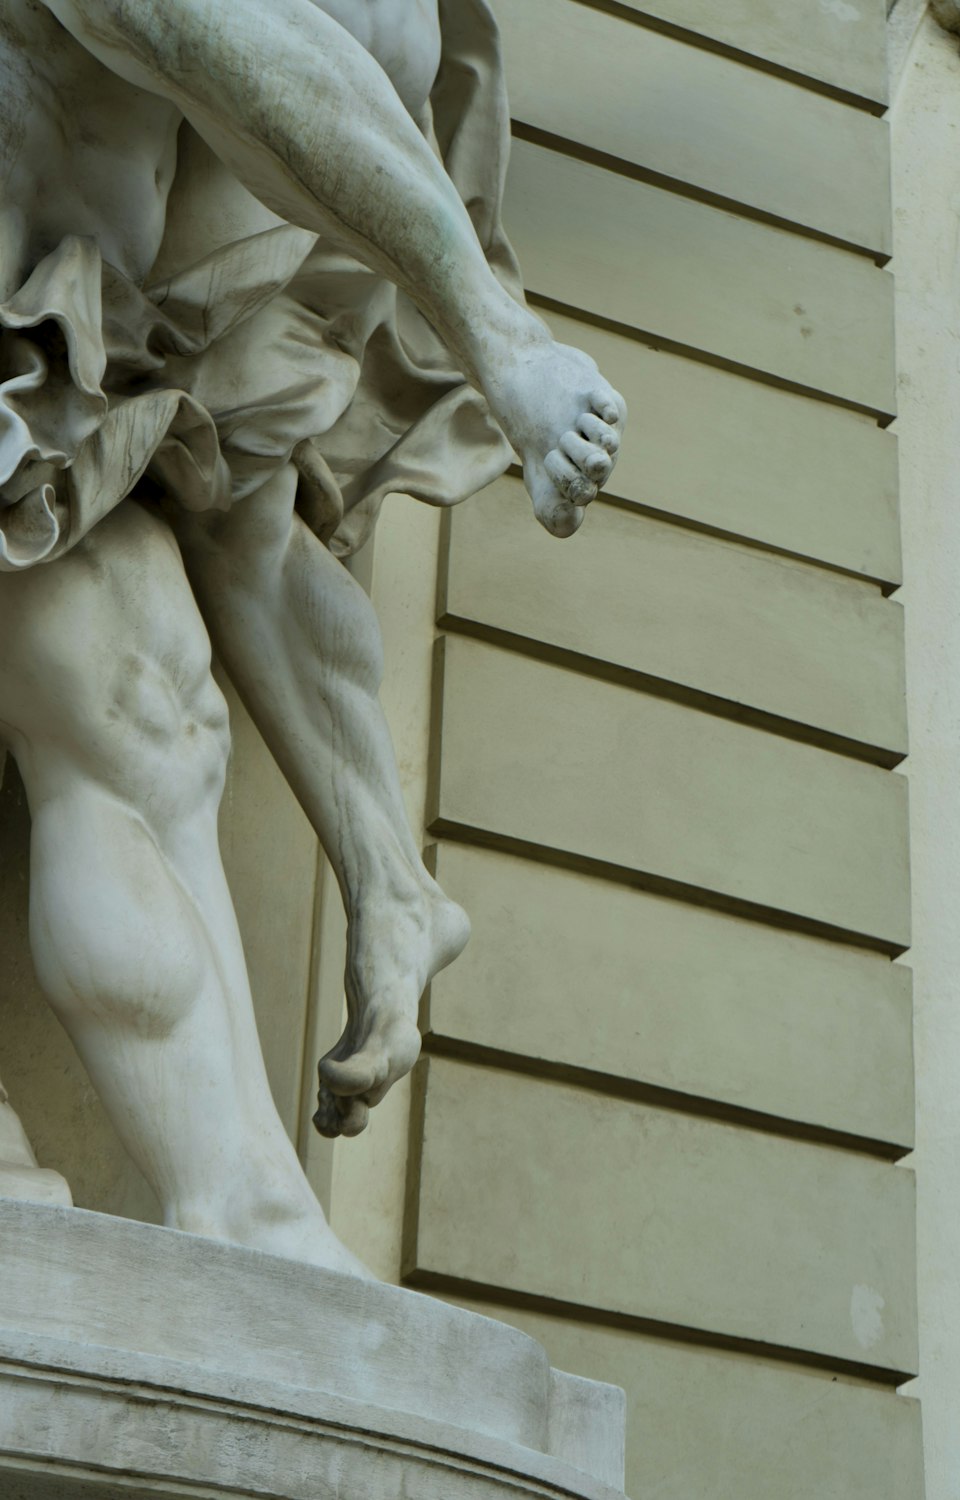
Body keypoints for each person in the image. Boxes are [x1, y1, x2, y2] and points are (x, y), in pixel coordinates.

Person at [0, 0, 625, 1271]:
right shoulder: (211, 55)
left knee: (145, 691)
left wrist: (386, 876)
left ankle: (253, 1219)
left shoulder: (231, 184)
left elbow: (253, 520)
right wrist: (502, 348)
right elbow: (214, 42)